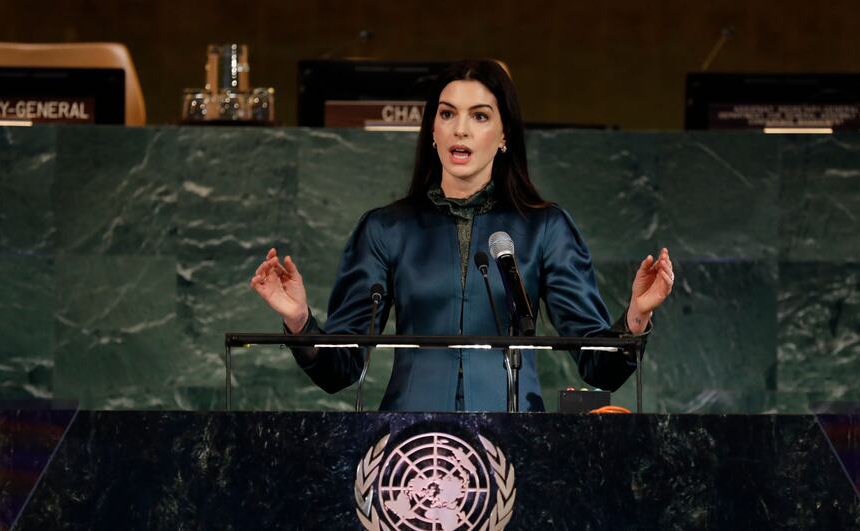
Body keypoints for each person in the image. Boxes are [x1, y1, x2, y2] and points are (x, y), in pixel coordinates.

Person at [250, 59, 674, 412]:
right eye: (447, 113)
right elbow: (339, 370)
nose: (461, 129)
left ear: (504, 133)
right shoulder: (385, 229)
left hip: (517, 440)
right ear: (432, 130)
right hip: (410, 444)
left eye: (480, 116)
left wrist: (636, 316)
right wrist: (299, 320)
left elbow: (597, 366)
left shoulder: (546, 227)